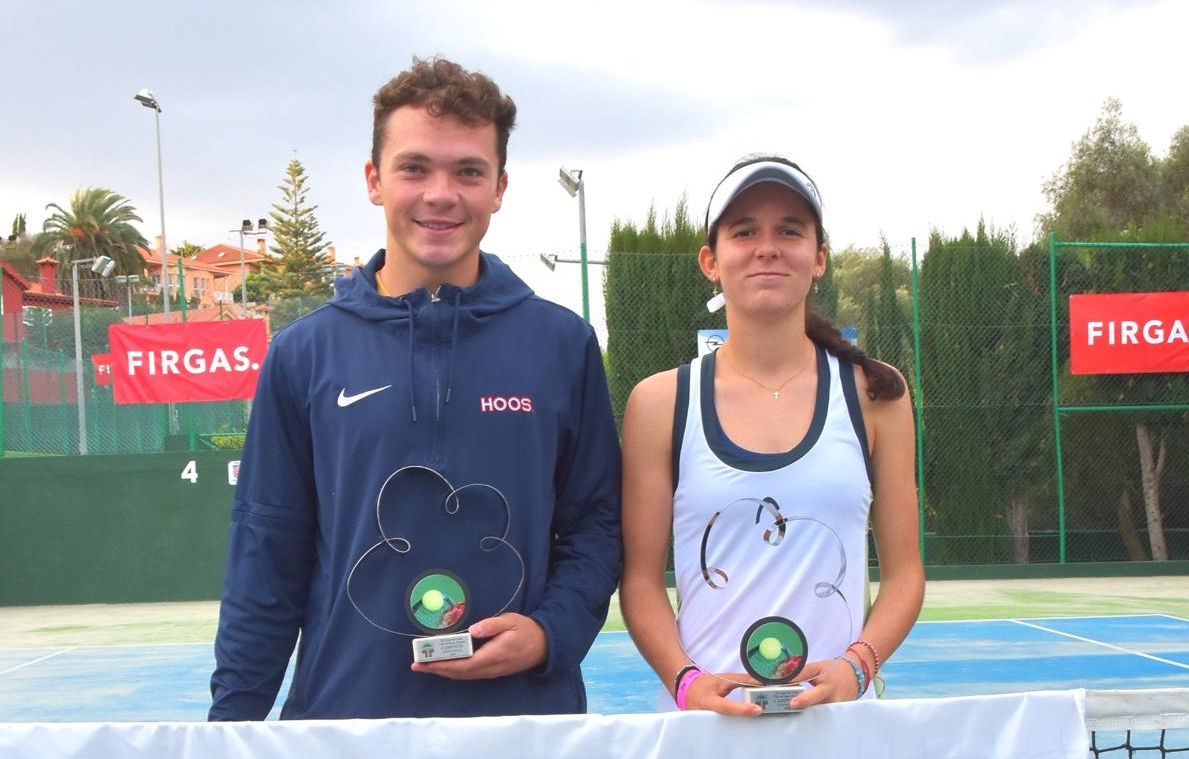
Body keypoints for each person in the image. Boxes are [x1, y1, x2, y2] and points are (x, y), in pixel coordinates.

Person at [209, 57, 622, 720]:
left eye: (467, 171)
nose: (440, 193)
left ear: (499, 187)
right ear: (374, 181)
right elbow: (266, 558)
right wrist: (231, 729)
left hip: (523, 729)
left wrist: (551, 632)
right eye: (414, 168)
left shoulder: (562, 344)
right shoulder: (303, 355)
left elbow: (595, 529)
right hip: (346, 726)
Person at [619, 155, 923, 715]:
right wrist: (687, 682)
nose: (767, 247)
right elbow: (639, 582)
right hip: (704, 733)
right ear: (710, 261)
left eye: (790, 230)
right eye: (744, 232)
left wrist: (857, 667)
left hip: (840, 727)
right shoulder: (659, 403)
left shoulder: (877, 395)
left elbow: (906, 575)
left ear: (819, 257)